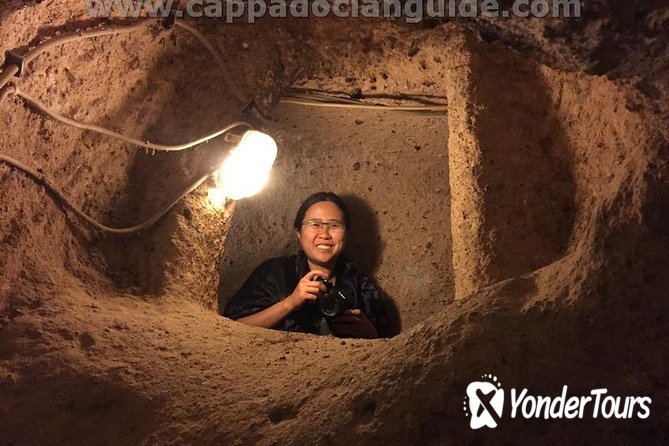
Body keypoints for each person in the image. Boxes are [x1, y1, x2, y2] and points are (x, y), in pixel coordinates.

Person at [221, 192, 390, 339]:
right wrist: (290, 303)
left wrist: (371, 333)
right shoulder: (275, 275)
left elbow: (390, 345)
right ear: (298, 233)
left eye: (334, 225)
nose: (324, 234)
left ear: (346, 234)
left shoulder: (360, 284)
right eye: (315, 224)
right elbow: (229, 329)